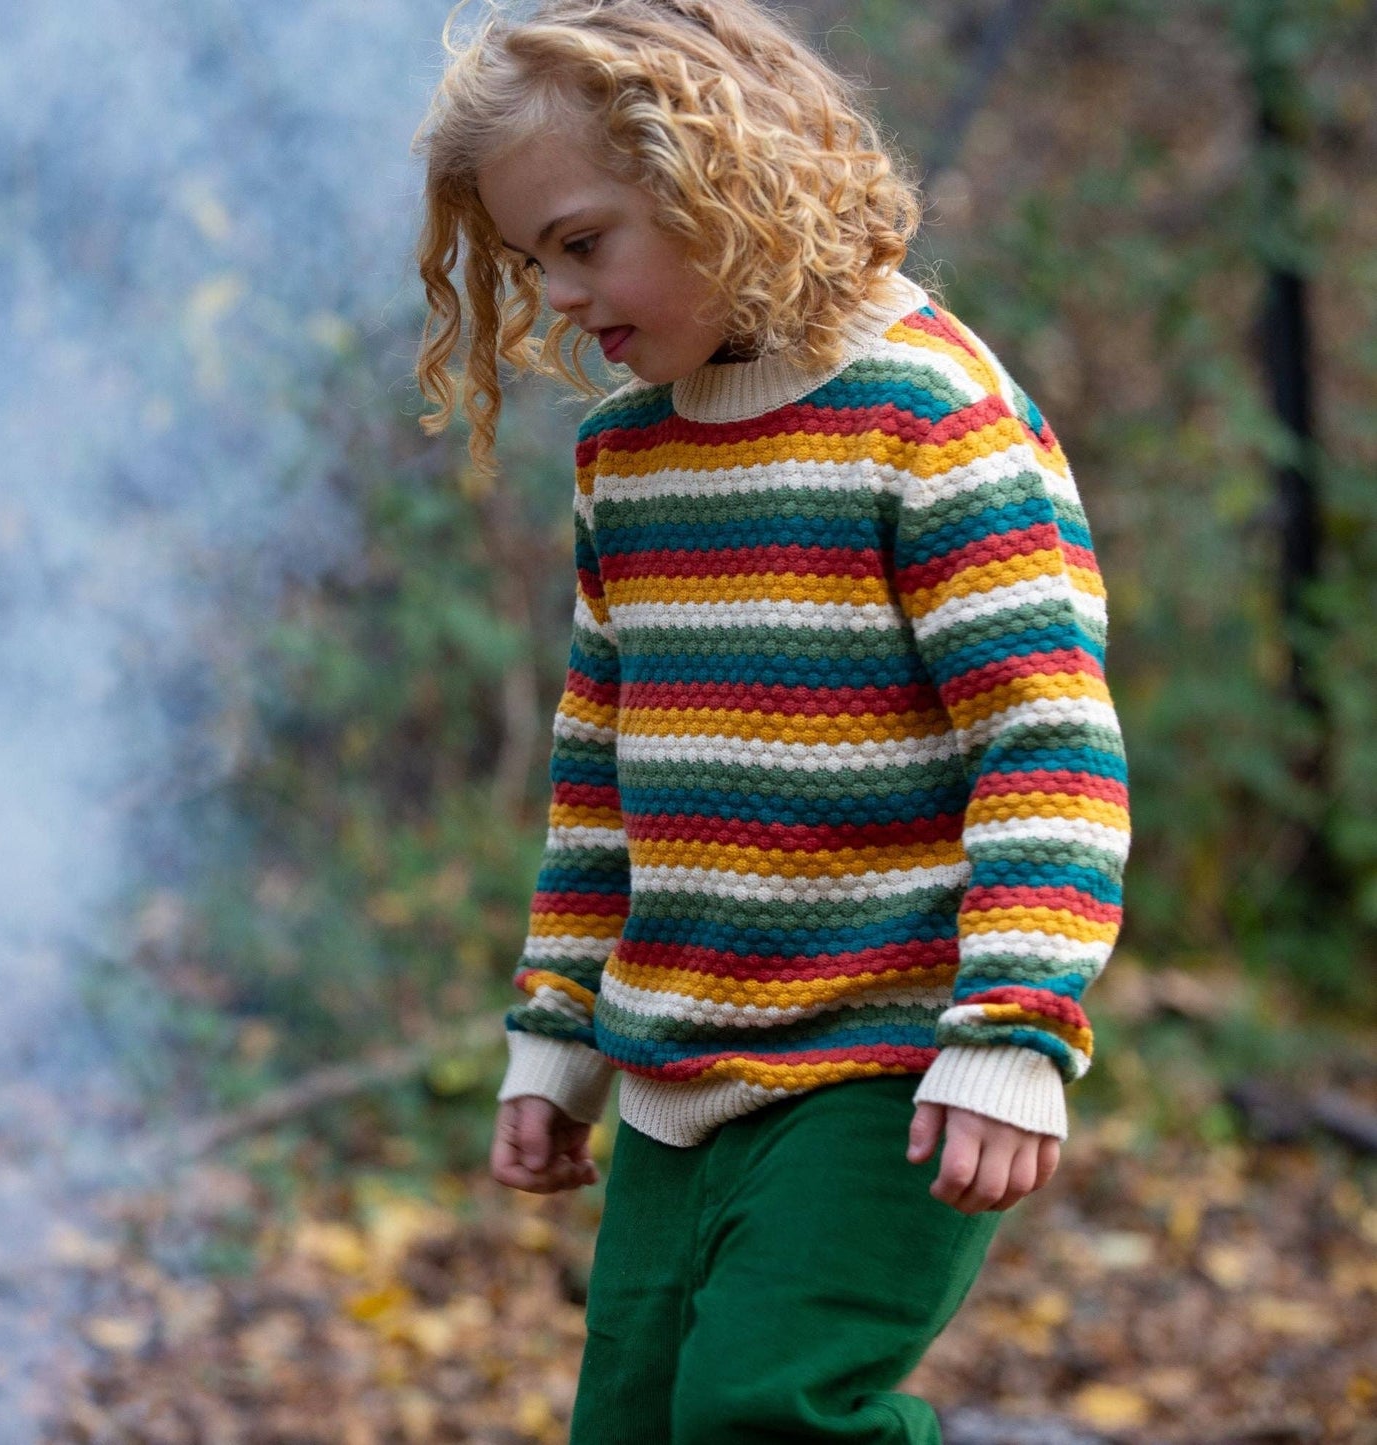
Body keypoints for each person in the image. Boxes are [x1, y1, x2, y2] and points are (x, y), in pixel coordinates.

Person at [410, 1, 1131, 1440]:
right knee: (632, 1418)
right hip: (674, 1064)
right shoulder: (627, 455)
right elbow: (598, 777)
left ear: (713, 177)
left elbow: (1044, 738)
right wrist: (554, 1038)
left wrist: (1013, 1028)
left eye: (577, 241)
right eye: (524, 261)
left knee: (761, 1412)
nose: (554, 295)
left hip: (890, 1063)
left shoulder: (926, 416)